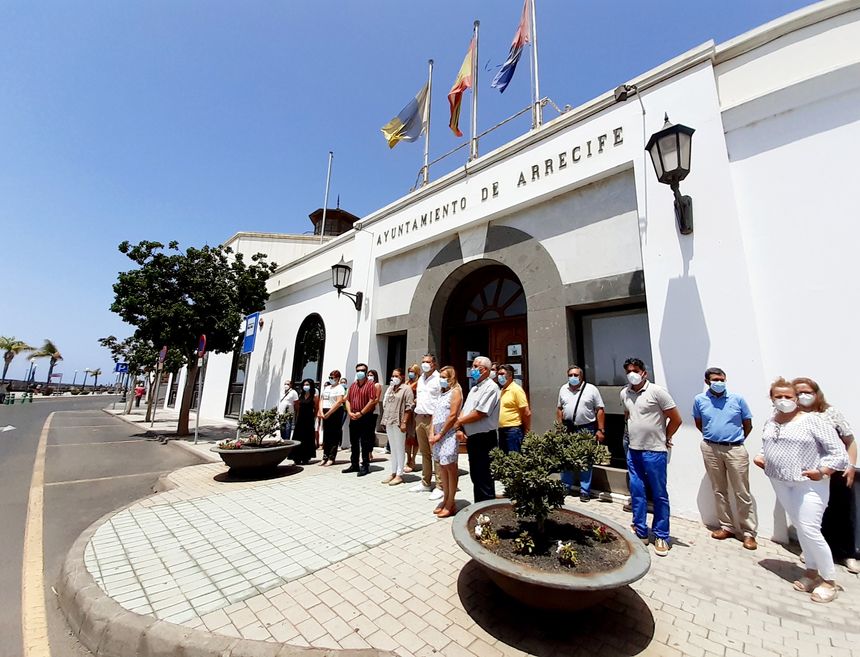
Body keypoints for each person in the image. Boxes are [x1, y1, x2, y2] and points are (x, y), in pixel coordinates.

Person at [754, 378, 848, 603]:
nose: (784, 401)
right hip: (780, 481)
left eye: (788, 397)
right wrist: (761, 456)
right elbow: (767, 443)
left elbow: (839, 453)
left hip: (809, 484)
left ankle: (829, 580)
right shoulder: (772, 420)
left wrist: (822, 471)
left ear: (796, 399)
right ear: (771, 398)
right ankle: (811, 572)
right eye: (779, 396)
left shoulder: (812, 421)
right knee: (800, 526)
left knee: (810, 528)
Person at [793, 377, 858, 573]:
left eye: (807, 392)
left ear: (817, 393)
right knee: (813, 512)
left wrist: (851, 465)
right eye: (798, 393)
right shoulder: (792, 416)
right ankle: (813, 552)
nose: (803, 396)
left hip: (834, 471)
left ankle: (847, 554)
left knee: (842, 511)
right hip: (807, 472)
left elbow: (850, 441)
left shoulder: (830, 413)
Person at [621, 357, 682, 557]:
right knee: (637, 491)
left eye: (636, 370)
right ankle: (640, 530)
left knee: (659, 494)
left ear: (643, 373)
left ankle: (661, 534)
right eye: (629, 370)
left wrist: (667, 437)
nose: (632, 374)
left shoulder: (657, 392)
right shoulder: (625, 393)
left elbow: (676, 418)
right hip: (634, 449)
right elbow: (627, 414)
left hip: (655, 451)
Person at [692, 367, 757, 549]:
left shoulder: (737, 399)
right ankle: (727, 526)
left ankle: (748, 532)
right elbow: (699, 422)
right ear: (707, 382)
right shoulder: (700, 400)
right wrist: (713, 437)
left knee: (742, 491)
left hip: (735, 449)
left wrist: (734, 439)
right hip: (711, 448)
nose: (719, 383)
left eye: (721, 379)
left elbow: (748, 423)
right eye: (715, 379)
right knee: (719, 489)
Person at [557, 365, 606, 502]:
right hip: (568, 428)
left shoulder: (591, 390)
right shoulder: (563, 389)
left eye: (575, 375)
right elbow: (560, 409)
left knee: (585, 459)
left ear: (581, 376)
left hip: (586, 428)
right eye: (570, 375)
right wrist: (560, 427)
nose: (573, 378)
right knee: (566, 458)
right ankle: (565, 486)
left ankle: (585, 490)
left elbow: (600, 410)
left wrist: (600, 429)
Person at [457, 356, 501, 503]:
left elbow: (480, 413)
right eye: (473, 365)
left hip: (485, 439)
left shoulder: (491, 388)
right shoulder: (475, 388)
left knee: (485, 478)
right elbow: (465, 410)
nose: (473, 369)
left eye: (477, 367)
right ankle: (479, 510)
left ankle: (487, 512)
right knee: (476, 476)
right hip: (473, 439)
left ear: (487, 371)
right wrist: (460, 426)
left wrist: (456, 422)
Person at [430, 366, 464, 517]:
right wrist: (432, 432)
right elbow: (435, 415)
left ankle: (451, 502)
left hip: (448, 434)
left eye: (445, 377)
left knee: (450, 467)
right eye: (441, 377)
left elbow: (452, 415)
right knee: (442, 467)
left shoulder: (455, 391)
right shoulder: (441, 393)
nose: (442, 380)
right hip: (437, 435)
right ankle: (445, 499)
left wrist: (441, 433)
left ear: (451, 378)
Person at [411, 354, 443, 499]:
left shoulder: (439, 379)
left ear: (434, 364)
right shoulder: (421, 379)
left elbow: (442, 399)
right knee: (424, 452)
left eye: (428, 362)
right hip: (420, 418)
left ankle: (440, 485)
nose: (425, 364)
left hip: (433, 419)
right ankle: (425, 482)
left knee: (436, 453)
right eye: (423, 361)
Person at [380, 368, 414, 485]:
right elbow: (386, 404)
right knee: (393, 448)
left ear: (402, 377)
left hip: (399, 422)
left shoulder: (406, 389)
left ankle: (400, 474)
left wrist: (404, 422)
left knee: (399, 448)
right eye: (392, 376)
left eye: (396, 376)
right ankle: (393, 471)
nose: (393, 378)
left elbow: (409, 407)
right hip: (389, 421)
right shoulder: (390, 388)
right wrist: (384, 421)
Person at [344, 363, 378, 476]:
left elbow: (372, 400)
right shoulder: (353, 386)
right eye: (358, 370)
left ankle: (365, 465)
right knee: (353, 442)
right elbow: (347, 400)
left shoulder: (370, 385)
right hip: (353, 416)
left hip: (365, 417)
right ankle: (354, 464)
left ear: (366, 372)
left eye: (362, 370)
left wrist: (361, 413)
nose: (360, 372)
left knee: (365, 442)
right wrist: (349, 412)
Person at [496, 364, 531, 453]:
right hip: (502, 430)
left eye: (502, 374)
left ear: (510, 375)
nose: (500, 376)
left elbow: (526, 412)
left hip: (513, 430)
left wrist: (526, 430)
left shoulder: (516, 390)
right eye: (498, 374)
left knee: (513, 458)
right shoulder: (502, 390)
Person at [319, 370, 345, 466]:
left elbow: (339, 402)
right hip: (325, 411)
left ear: (337, 378)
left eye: (333, 377)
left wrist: (329, 413)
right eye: (330, 377)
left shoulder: (340, 388)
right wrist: (321, 411)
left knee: (334, 435)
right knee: (326, 435)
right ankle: (324, 456)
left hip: (335, 412)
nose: (331, 379)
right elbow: (322, 399)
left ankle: (331, 457)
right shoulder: (327, 388)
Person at [291, 379, 319, 465]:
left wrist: (314, 418)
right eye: (304, 384)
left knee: (307, 438)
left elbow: (316, 408)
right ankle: (296, 457)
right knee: (298, 437)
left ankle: (305, 457)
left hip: (309, 419)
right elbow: (298, 407)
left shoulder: (314, 396)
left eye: (307, 384)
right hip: (300, 419)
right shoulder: (301, 395)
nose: (305, 386)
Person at [404, 363, 421, 472]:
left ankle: (413, 459)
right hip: (407, 411)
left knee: (414, 436)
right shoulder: (406, 382)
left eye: (413, 371)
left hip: (415, 411)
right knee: (407, 436)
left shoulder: (419, 383)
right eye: (409, 371)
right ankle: (408, 457)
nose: (410, 373)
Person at [367, 369, 383, 462]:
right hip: (365, 411)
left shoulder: (376, 385)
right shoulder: (366, 384)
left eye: (371, 375)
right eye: (368, 375)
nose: (369, 376)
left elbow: (376, 399)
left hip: (373, 411)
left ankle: (369, 452)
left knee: (370, 431)